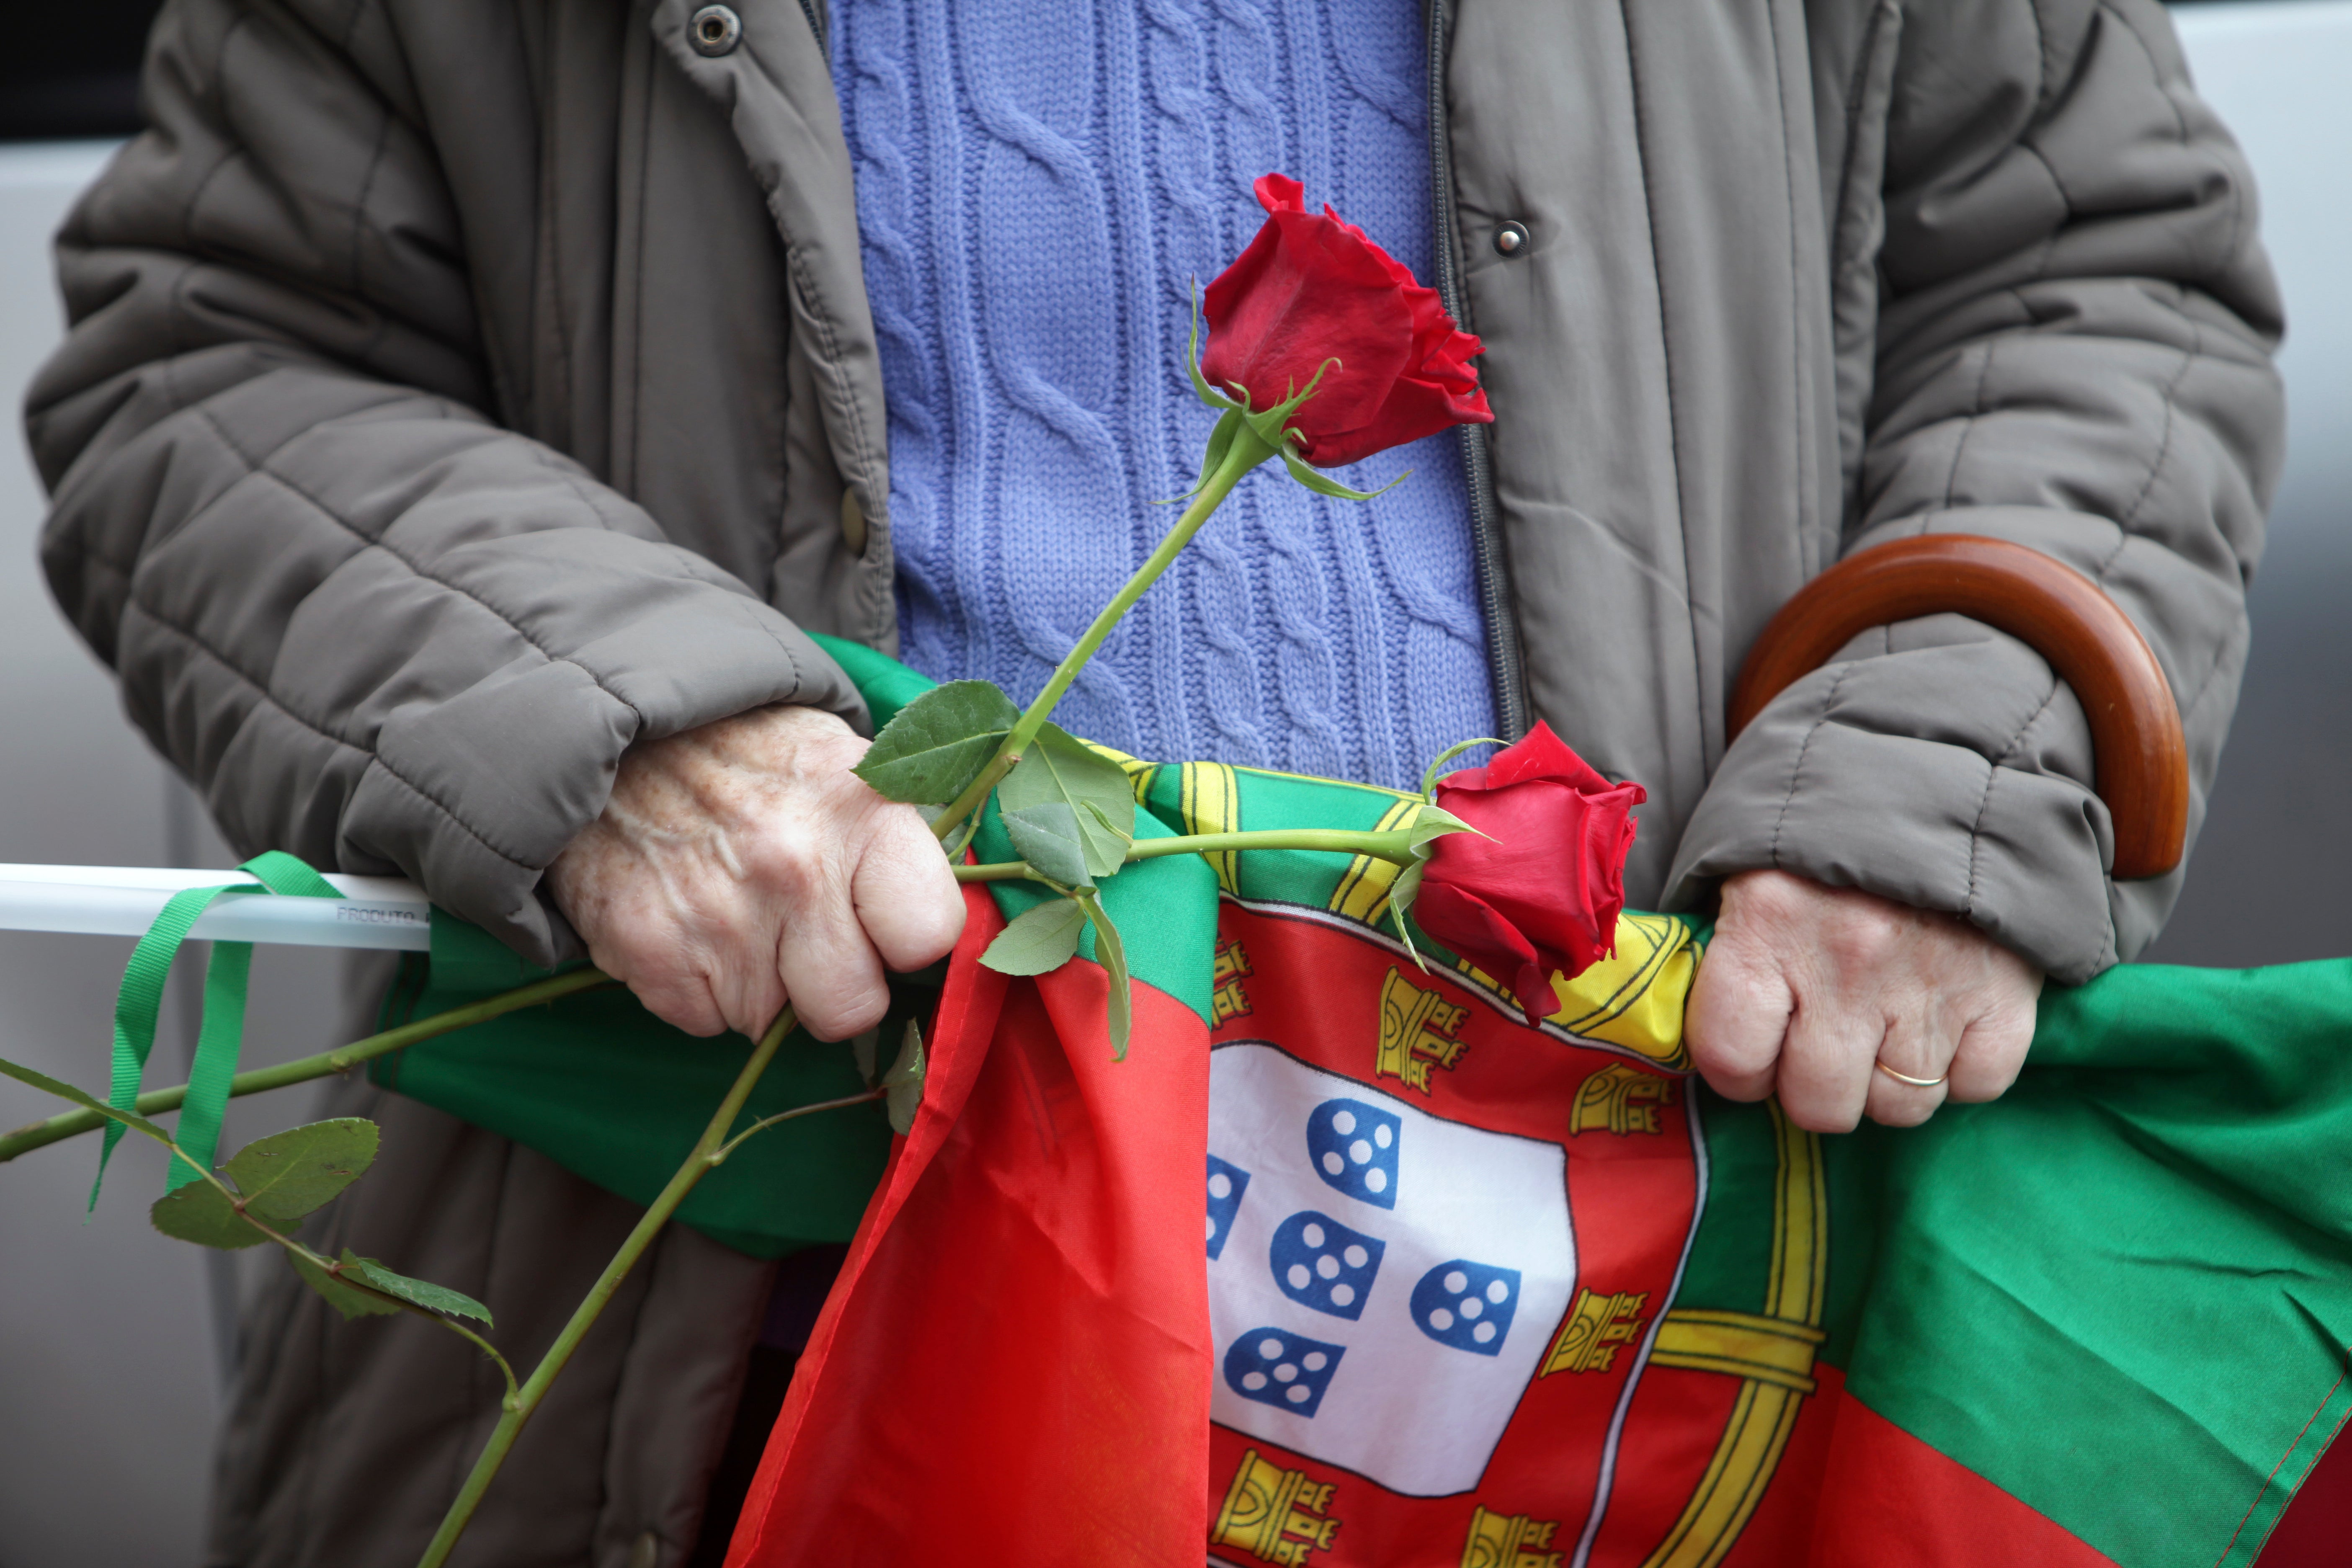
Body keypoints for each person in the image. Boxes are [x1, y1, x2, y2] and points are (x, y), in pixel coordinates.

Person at [25, 0, 2281, 1562]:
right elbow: (211, 356)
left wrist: (1947, 746)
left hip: (1611, 1333)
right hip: (735, 1299)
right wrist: (612, 717)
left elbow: (2089, 259)